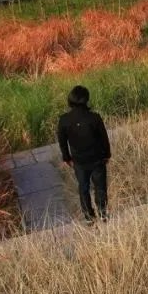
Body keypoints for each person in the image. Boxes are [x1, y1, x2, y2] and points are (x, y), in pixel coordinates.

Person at [57, 85, 111, 225]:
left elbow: (62, 141)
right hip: (97, 158)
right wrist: (107, 155)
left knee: (83, 187)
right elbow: (103, 138)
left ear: (71, 100)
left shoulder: (64, 120)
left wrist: (66, 158)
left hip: (79, 161)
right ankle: (103, 213)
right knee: (100, 187)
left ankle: (88, 216)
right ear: (86, 99)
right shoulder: (94, 117)